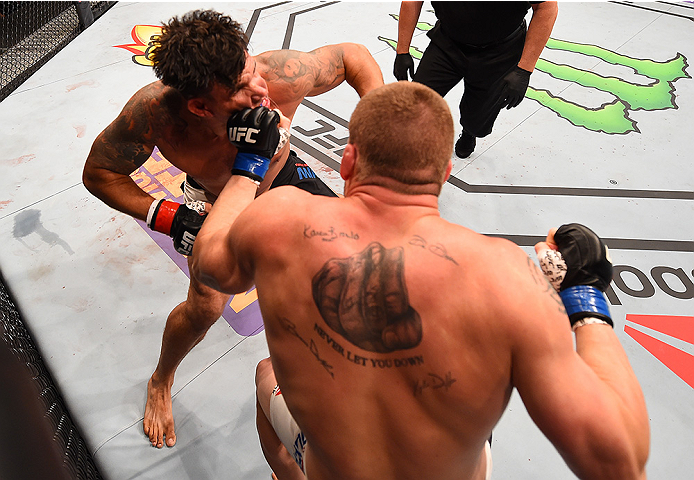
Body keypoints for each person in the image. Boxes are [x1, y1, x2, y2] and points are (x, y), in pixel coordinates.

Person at [191, 81, 649, 479]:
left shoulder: (279, 217)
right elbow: (619, 463)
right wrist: (584, 296)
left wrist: (250, 163)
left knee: (265, 375)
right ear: (444, 174)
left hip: (329, 468)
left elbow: (209, 265)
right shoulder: (507, 275)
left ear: (347, 161)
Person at [82, 9, 384, 448]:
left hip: (281, 180)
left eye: (251, 68)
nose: (260, 87)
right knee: (205, 307)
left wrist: (376, 133)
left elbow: (353, 56)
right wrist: (164, 215)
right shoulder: (156, 115)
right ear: (200, 106)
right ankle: (161, 379)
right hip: (213, 202)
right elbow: (100, 174)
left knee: (366, 264)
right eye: (241, 88)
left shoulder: (277, 76)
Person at [393, 1, 558, 158]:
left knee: (477, 120)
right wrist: (402, 51)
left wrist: (524, 70)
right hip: (448, 42)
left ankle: (469, 133)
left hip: (500, 51)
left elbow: (546, 8)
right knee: (415, 103)